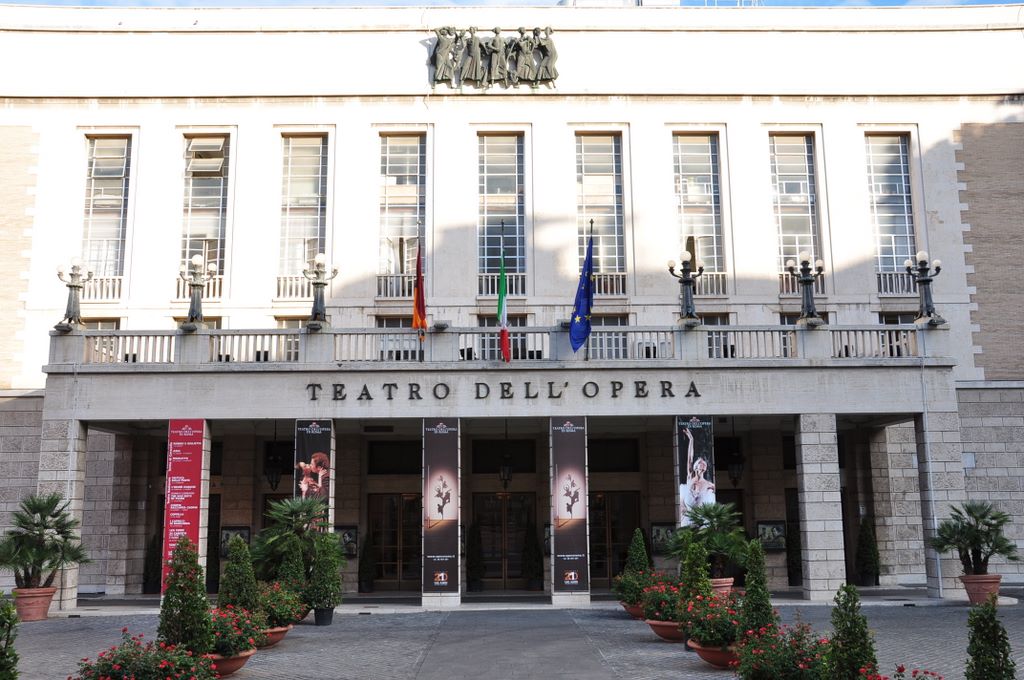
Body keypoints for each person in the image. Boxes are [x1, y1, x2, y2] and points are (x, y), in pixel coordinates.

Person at [680, 427, 715, 524]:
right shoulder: (690, 476)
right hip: (689, 518)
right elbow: (690, 458)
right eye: (700, 462)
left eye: (704, 463)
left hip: (701, 519)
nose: (703, 463)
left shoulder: (709, 484)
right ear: (696, 466)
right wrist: (691, 439)